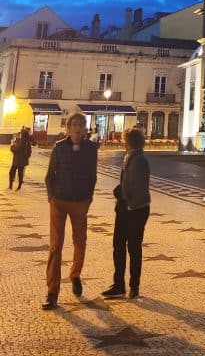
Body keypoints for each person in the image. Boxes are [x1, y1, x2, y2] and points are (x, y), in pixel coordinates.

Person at [42, 112, 98, 310]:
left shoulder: (91, 148)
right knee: (56, 245)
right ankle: (52, 291)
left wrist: (88, 198)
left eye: (81, 124)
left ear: (85, 128)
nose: (77, 127)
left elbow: (93, 176)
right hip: (59, 201)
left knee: (80, 240)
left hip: (80, 201)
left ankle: (75, 273)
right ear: (68, 128)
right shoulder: (59, 148)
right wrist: (52, 198)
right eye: (74, 124)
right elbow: (49, 175)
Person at [102, 127, 150, 300]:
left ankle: (131, 286)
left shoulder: (138, 160)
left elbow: (135, 186)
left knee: (132, 248)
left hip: (134, 210)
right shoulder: (132, 157)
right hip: (127, 208)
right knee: (121, 246)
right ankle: (120, 284)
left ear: (128, 141)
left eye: (125, 140)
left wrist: (120, 193)